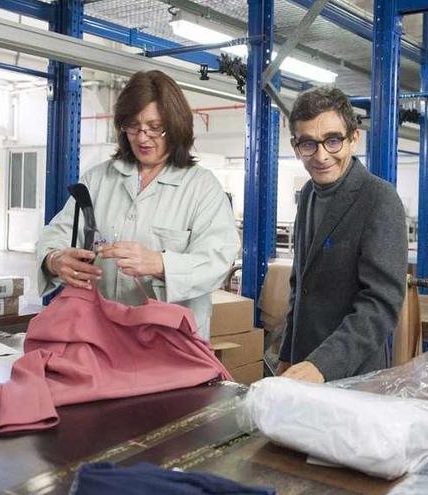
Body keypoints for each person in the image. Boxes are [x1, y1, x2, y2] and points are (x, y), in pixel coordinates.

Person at [37, 70, 240, 339]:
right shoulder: (97, 179)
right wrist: (54, 259)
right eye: (133, 126)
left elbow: (218, 260)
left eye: (155, 127)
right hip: (102, 335)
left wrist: (160, 263)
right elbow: (58, 233)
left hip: (170, 343)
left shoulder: (202, 187)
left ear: (176, 125)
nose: (143, 138)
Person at [277, 86, 408, 383]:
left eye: (333, 141)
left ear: (354, 139)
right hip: (303, 366)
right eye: (308, 144)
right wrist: (287, 353)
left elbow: (380, 305)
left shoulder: (379, 199)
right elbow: (301, 282)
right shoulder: (309, 193)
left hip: (351, 374)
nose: (321, 156)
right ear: (296, 146)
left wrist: (322, 365)